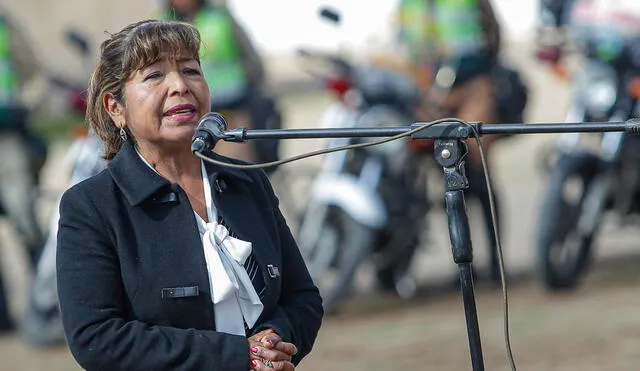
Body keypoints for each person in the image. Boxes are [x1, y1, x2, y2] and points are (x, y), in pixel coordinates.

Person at [56, 19, 323, 370]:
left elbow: (302, 298)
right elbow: (97, 337)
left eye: (191, 70)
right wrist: (238, 356)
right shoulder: (91, 207)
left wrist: (274, 340)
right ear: (114, 108)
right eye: (154, 76)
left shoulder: (246, 182)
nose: (180, 86)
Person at [395, 0, 504, 282]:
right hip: (429, 97)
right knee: (447, 185)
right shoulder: (408, 5)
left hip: (472, 89)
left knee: (479, 179)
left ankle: (495, 265)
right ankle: (464, 268)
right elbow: (405, 43)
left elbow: (492, 34)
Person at [162, 0, 282, 168]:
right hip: (186, 113)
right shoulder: (160, 25)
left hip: (230, 110)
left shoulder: (221, 19)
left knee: (237, 170)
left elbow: (251, 60)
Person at [0, 6, 47, 333]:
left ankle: (44, 310)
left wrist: (23, 107)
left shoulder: (4, 25)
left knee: (26, 225)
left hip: (8, 140)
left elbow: (34, 75)